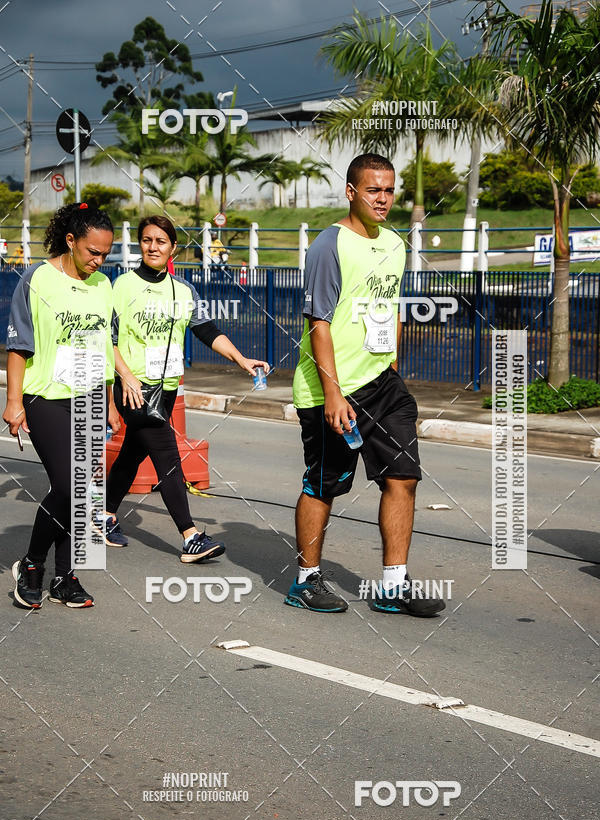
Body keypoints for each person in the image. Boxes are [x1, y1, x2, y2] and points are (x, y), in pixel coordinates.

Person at [284, 153, 445, 617]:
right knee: (324, 485)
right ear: (352, 192)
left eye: (389, 190)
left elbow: (390, 307)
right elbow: (319, 322)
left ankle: (394, 584)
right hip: (329, 388)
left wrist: (393, 364)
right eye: (373, 189)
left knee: (404, 478)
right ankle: (306, 579)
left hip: (383, 385)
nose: (383, 198)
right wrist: (333, 392)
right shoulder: (328, 245)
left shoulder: (395, 243)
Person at [99, 214, 269, 561]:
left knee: (133, 452)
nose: (153, 247)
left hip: (168, 387)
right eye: (147, 240)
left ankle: (102, 515)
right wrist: (125, 376)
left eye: (160, 241)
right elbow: (108, 338)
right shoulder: (122, 286)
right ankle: (190, 535)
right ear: (139, 245)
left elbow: (207, 330)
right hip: (135, 388)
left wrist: (241, 359)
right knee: (167, 455)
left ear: (173, 248)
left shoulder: (183, 290)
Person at [3, 202, 118, 610]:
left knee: (83, 493)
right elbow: (19, 345)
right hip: (45, 397)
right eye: (91, 251)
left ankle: (65, 577)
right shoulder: (37, 279)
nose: (98, 260)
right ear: (70, 241)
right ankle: (32, 564)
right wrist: (13, 401)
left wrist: (108, 401)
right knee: (70, 486)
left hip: (88, 395)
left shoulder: (103, 285)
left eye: (105, 253)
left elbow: (103, 346)